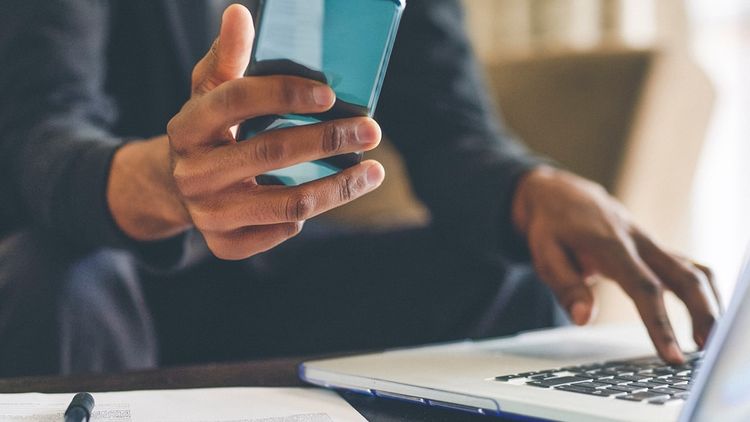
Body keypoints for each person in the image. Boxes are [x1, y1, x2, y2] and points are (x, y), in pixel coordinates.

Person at [0, 0, 720, 377]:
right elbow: (40, 129)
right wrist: (168, 185)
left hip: (279, 279)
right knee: (60, 281)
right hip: (115, 270)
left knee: (509, 279)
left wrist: (534, 188)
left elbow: (450, 127)